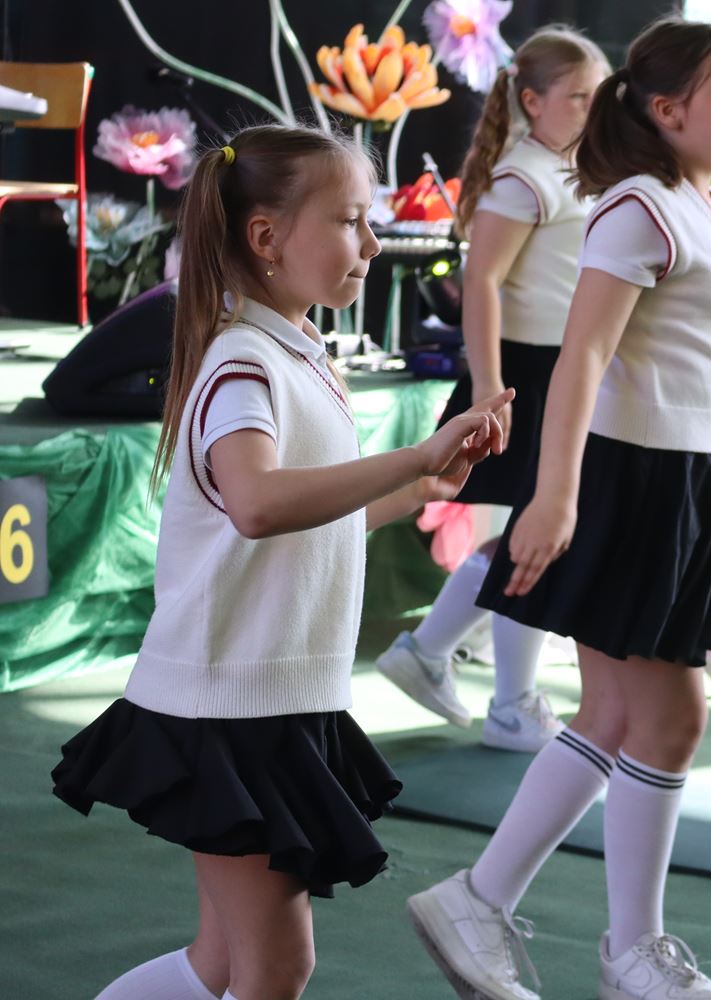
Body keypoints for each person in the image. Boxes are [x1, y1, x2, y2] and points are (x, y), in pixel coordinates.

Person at [50, 125, 509, 1000]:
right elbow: (258, 504)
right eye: (349, 220)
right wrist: (413, 456)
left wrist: (422, 487)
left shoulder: (297, 352)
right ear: (265, 237)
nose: (373, 243)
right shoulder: (241, 363)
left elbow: (311, 523)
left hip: (269, 698)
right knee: (275, 966)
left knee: (223, 963)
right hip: (230, 706)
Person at [405, 19, 711, 1000]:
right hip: (633, 478)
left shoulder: (706, 205)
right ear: (670, 110)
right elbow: (584, 356)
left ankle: (489, 903)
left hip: (686, 476)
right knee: (667, 719)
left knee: (620, 714)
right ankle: (625, 950)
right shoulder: (636, 208)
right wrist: (556, 493)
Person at [375, 26, 609, 752]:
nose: (592, 108)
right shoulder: (523, 177)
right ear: (532, 102)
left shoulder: (567, 169)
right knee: (539, 537)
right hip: (527, 374)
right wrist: (489, 385)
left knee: (537, 536)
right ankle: (508, 702)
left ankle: (432, 653)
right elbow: (481, 282)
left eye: (598, 96)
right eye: (579, 97)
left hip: (562, 368)